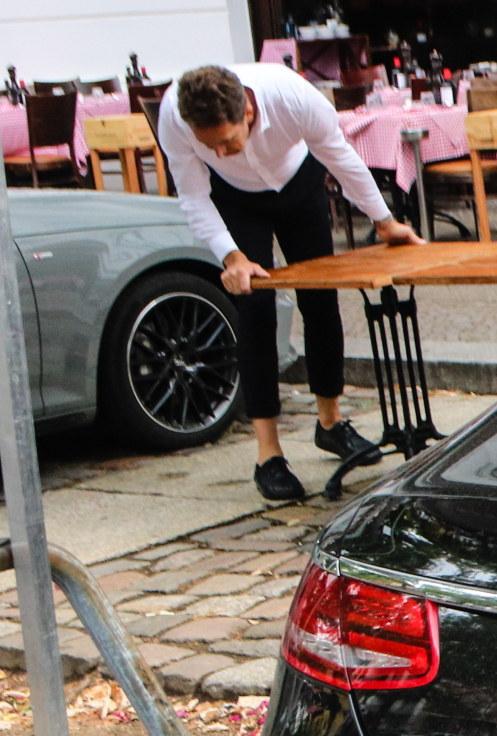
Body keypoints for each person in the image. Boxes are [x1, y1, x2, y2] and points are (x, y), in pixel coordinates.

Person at [158, 62, 421, 503]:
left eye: (226, 141)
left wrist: (385, 222)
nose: (220, 152)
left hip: (298, 185)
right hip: (235, 200)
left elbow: (339, 155)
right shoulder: (174, 116)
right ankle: (269, 455)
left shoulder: (293, 97)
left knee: (320, 302)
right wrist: (232, 256)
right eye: (210, 146)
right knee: (255, 310)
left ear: (246, 110)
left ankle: (331, 424)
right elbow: (193, 194)